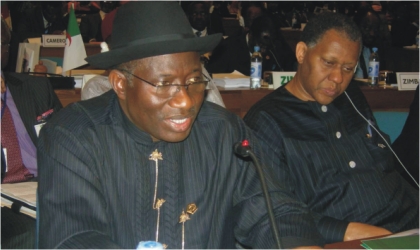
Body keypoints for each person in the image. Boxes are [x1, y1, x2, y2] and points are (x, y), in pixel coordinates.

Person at [37, 2, 323, 249]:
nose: (186, 101)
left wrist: (296, 243)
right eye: (164, 84)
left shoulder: (223, 131)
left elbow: (275, 210)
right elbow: (72, 239)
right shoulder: (74, 135)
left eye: (194, 80)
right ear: (121, 84)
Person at [243, 12, 419, 244]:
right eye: (328, 63)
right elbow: (270, 211)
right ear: (302, 53)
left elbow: (386, 165)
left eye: (348, 69)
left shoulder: (352, 97)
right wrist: (347, 231)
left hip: (409, 222)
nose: (337, 78)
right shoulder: (266, 121)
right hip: (353, 239)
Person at [1, 16, 62, 249]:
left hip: (44, 184)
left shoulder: (35, 87)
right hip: (4, 195)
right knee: (28, 234)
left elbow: (68, 141)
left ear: (7, 50)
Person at [207, 15, 297, 75]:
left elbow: (290, 70)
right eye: (261, 45)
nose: (263, 51)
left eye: (266, 47)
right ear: (250, 35)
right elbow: (213, 76)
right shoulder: (228, 47)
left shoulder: (277, 47)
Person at [353, 7, 390, 79]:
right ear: (356, 25)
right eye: (367, 28)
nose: (372, 33)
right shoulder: (346, 51)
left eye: (375, 29)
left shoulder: (375, 52)